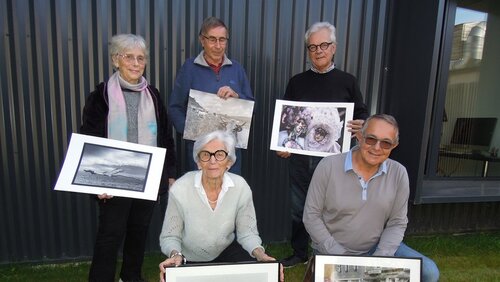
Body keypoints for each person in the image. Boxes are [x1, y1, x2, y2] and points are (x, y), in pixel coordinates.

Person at [80, 33, 176, 282]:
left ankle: (131, 276)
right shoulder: (101, 96)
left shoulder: (152, 95)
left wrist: (169, 173)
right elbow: (90, 139)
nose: (135, 63)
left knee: (139, 231)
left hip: (148, 176)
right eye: (129, 57)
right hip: (113, 179)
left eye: (140, 58)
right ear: (115, 60)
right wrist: (96, 183)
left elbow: (165, 137)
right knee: (110, 234)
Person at [303, 114, 440, 282]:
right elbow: (311, 217)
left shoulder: (399, 173)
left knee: (429, 272)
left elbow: (397, 222)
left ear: (394, 146)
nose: (376, 147)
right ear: (360, 137)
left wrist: (379, 259)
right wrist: (341, 256)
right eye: (371, 139)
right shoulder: (328, 166)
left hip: (375, 247)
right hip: (331, 250)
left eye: (385, 143)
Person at [277, 21, 369, 267]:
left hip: (334, 160)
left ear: (334, 47)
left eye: (324, 45)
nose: (318, 51)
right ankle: (299, 253)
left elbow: (361, 114)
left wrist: (361, 124)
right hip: (299, 161)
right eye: (312, 47)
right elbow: (286, 120)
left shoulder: (348, 81)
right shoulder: (296, 82)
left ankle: (327, 254)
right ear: (308, 50)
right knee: (299, 208)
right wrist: (283, 144)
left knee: (332, 209)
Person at [158, 130, 283, 282]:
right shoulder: (180, 188)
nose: (212, 161)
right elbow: (170, 236)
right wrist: (175, 255)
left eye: (220, 154)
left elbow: (247, 234)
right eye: (205, 155)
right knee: (169, 276)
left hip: (225, 252)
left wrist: (260, 255)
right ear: (198, 162)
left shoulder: (240, 187)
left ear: (229, 162)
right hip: (187, 257)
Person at [168, 16, 254, 175]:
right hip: (201, 152)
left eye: (222, 40)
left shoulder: (237, 69)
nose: (218, 45)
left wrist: (236, 96)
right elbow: (175, 107)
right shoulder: (189, 68)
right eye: (212, 39)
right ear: (202, 40)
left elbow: (250, 106)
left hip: (230, 153)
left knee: (230, 195)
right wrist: (190, 132)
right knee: (201, 196)